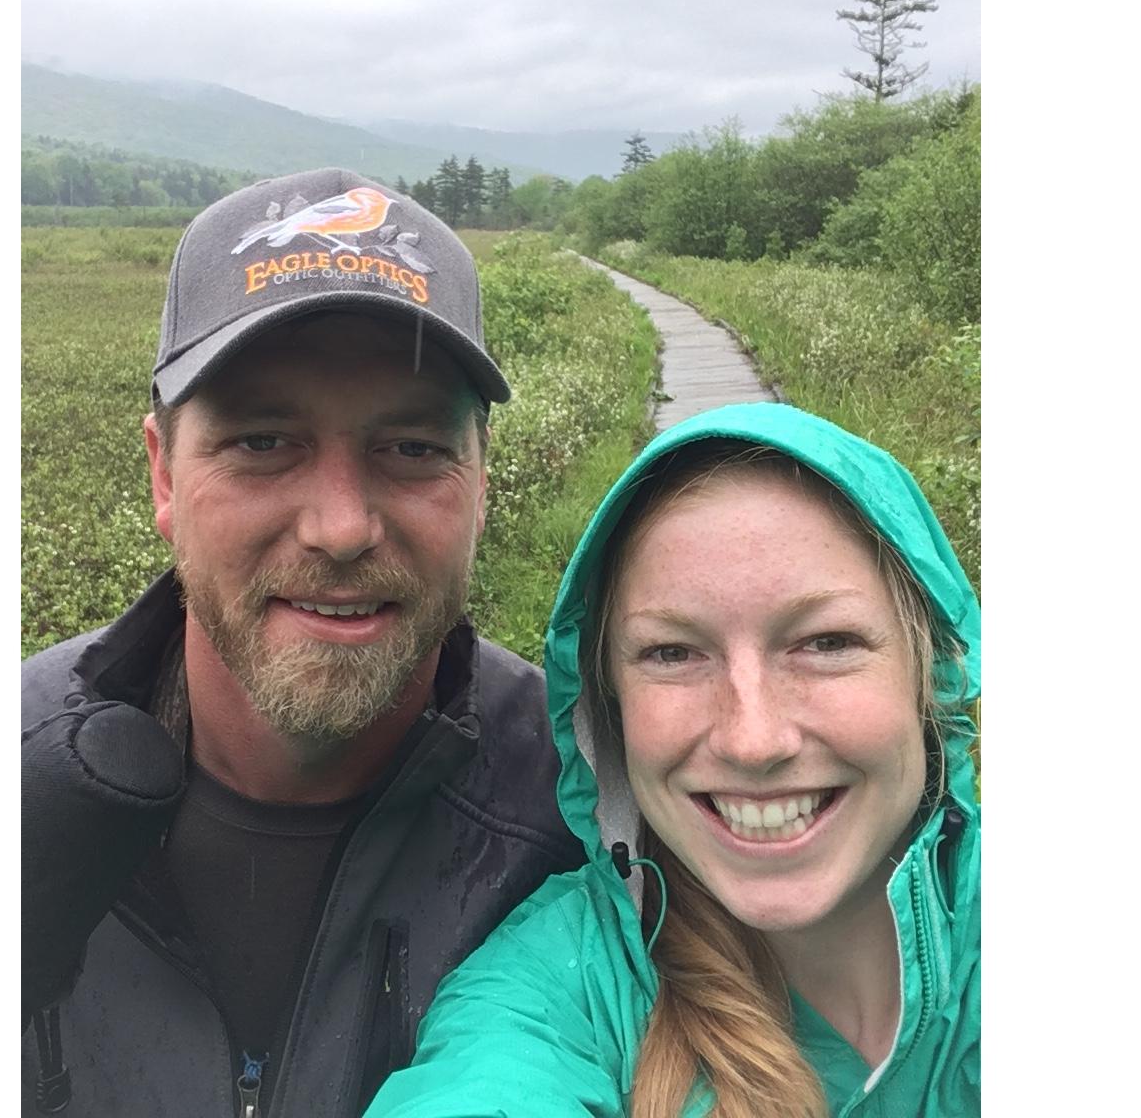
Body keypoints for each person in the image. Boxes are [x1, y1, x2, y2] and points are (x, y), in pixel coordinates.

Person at [20, 168, 584, 1118]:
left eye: (411, 448)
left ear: (482, 480)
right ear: (162, 475)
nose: (339, 526)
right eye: (263, 442)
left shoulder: (586, 818)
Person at [364, 402, 980, 1117]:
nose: (754, 741)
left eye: (826, 643)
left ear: (929, 673)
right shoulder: (553, 998)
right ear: (609, 709)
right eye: (673, 653)